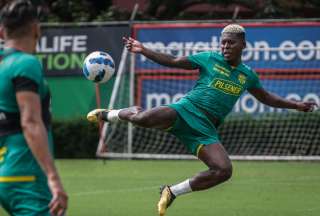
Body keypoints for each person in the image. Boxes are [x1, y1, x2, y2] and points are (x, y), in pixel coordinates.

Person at [87, 24, 316, 216]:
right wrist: (143, 49)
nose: (226, 46)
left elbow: (266, 97)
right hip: (186, 109)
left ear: (243, 45)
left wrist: (295, 105)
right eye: (223, 42)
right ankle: (107, 115)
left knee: (224, 170)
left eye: (231, 43)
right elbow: (174, 61)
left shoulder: (248, 75)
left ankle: (172, 192)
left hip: (205, 129)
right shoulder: (209, 59)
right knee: (142, 118)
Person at [0, 1, 68, 215]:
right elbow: (30, 122)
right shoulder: (26, 64)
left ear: (2, 31)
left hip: (4, 173)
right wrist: (53, 179)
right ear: (36, 28)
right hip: (26, 175)